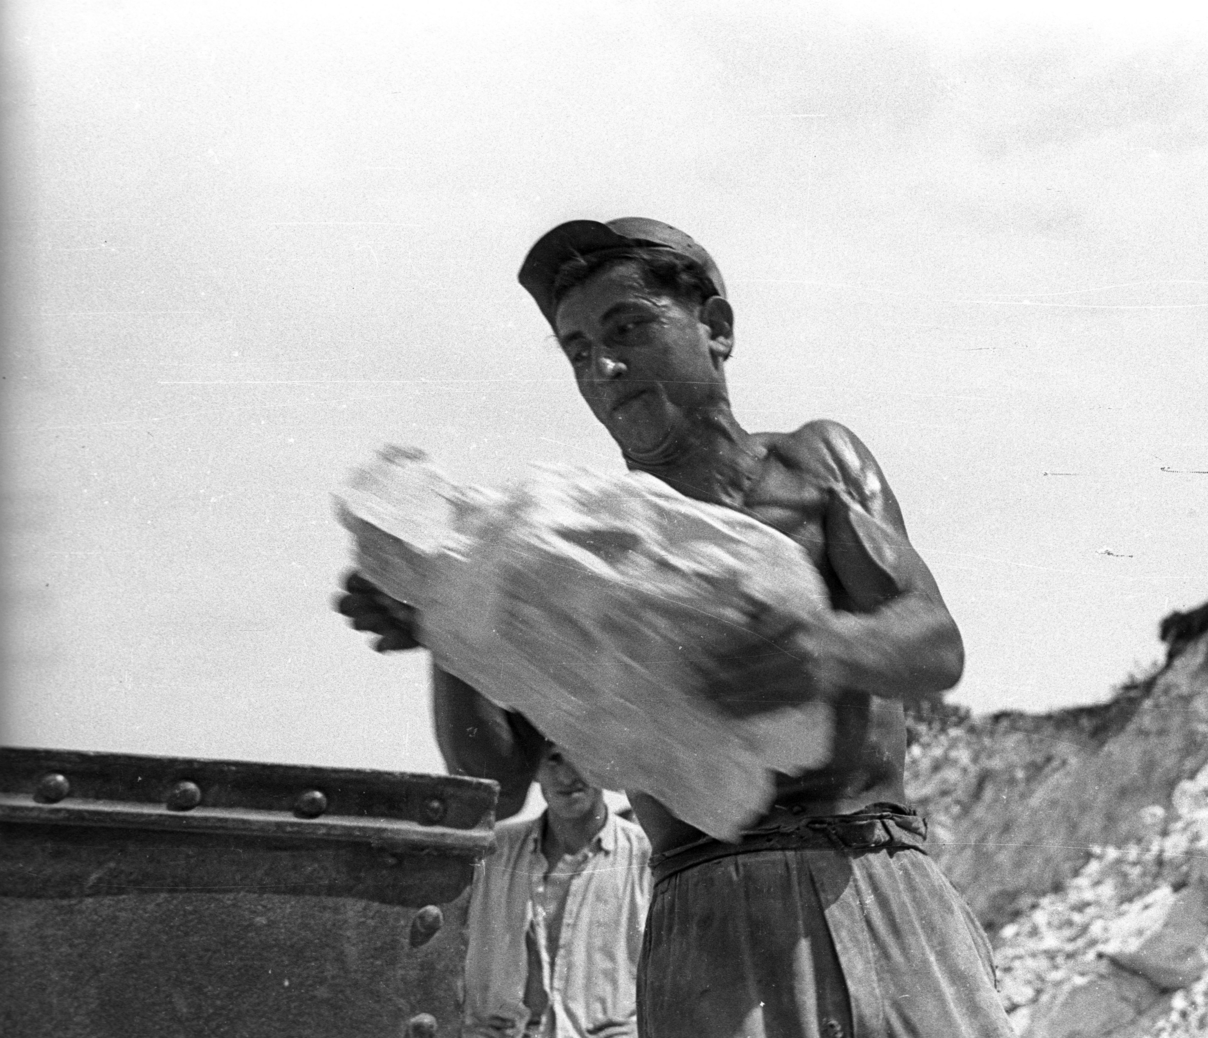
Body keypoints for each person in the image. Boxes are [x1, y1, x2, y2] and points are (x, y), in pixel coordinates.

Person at [337, 216, 1014, 1037]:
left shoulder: (813, 469)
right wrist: (445, 616)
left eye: (628, 328)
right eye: (578, 350)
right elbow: (501, 778)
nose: (605, 367)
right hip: (706, 925)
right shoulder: (565, 551)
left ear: (716, 328)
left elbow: (933, 642)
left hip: (872, 885)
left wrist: (830, 650)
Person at [463, 741, 651, 1038]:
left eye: (581, 756)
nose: (567, 776)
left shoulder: (645, 857)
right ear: (534, 768)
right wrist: (464, 1020)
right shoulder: (492, 853)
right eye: (554, 759)